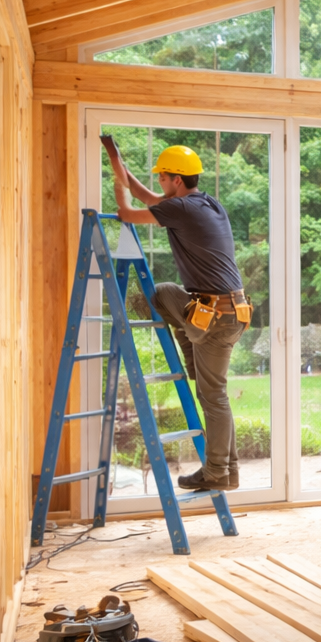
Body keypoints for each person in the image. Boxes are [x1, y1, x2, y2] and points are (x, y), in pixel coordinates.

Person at [105, 140, 250, 492]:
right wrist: (118, 164)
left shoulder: (180, 209)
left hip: (214, 316)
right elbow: (146, 197)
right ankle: (226, 470)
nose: (161, 184)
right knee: (211, 390)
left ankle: (216, 471)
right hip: (232, 311)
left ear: (176, 180)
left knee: (212, 394)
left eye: (164, 178)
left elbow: (128, 211)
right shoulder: (206, 204)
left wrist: (116, 188)